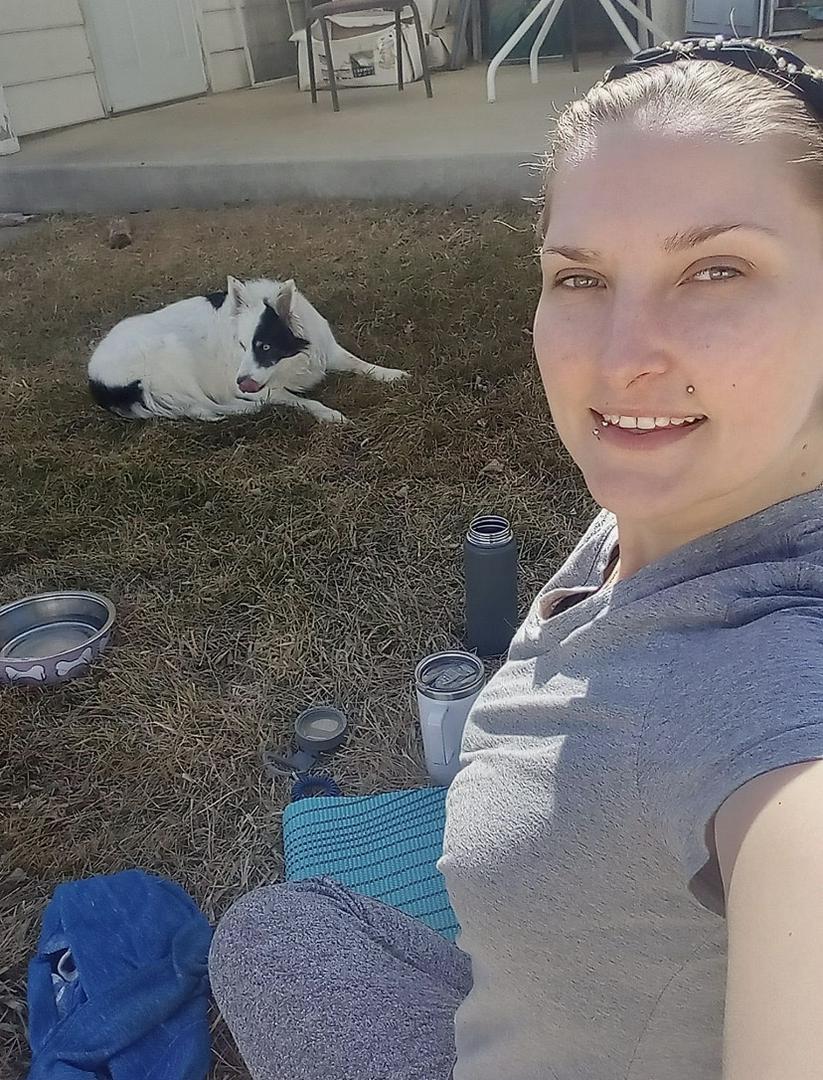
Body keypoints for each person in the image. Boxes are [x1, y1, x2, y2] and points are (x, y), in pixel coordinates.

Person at [208, 37, 823, 1079]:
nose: (619, 356)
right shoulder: (685, 495)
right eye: (579, 275)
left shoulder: (777, 711)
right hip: (528, 1002)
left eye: (715, 269)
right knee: (277, 925)